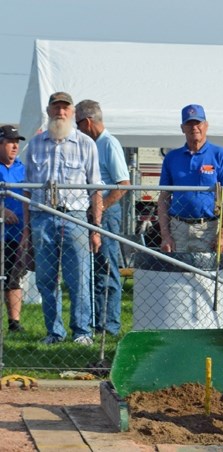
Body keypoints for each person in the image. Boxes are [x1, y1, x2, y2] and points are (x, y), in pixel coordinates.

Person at [22, 92, 103, 345]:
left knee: (79, 277)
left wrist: (96, 228)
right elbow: (27, 189)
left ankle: (82, 332)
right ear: (48, 111)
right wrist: (27, 229)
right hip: (41, 217)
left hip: (76, 216)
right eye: (56, 107)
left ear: (73, 113)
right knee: (46, 278)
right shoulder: (35, 144)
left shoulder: (86, 144)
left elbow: (96, 188)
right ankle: (54, 332)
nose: (60, 112)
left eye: (65, 108)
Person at [75, 100, 130, 336]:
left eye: (77, 124)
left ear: (87, 122)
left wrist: (101, 208)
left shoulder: (108, 144)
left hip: (106, 215)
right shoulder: (93, 144)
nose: (76, 129)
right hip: (93, 213)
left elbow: (123, 184)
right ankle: (98, 322)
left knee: (106, 269)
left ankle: (110, 326)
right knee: (94, 270)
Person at [157, 104, 223, 254]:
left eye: (198, 123)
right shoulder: (172, 157)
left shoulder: (220, 154)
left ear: (206, 125)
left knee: (206, 275)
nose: (194, 127)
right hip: (178, 227)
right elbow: (163, 198)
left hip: (208, 227)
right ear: (182, 128)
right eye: (189, 123)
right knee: (177, 274)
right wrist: (165, 235)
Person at [0, 125, 28, 333]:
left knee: (14, 277)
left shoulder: (23, 169)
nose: (14, 146)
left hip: (17, 234)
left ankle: (14, 322)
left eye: (17, 142)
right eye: (10, 142)